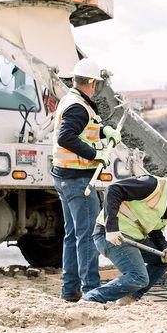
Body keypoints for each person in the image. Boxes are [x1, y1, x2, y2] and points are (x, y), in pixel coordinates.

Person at [82, 160, 167, 304]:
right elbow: (113, 190)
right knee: (139, 277)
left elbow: (155, 231)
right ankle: (91, 299)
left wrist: (165, 248)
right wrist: (111, 228)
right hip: (110, 236)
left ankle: (129, 297)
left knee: (163, 260)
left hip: (133, 238)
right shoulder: (152, 185)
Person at [51, 58, 121, 302]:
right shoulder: (78, 107)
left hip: (65, 177)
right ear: (91, 83)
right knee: (88, 236)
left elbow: (84, 127)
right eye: (95, 84)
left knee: (72, 235)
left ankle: (70, 290)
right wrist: (96, 154)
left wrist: (105, 131)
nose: (95, 88)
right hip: (78, 180)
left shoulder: (73, 101)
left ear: (74, 80)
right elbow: (66, 136)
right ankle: (91, 290)